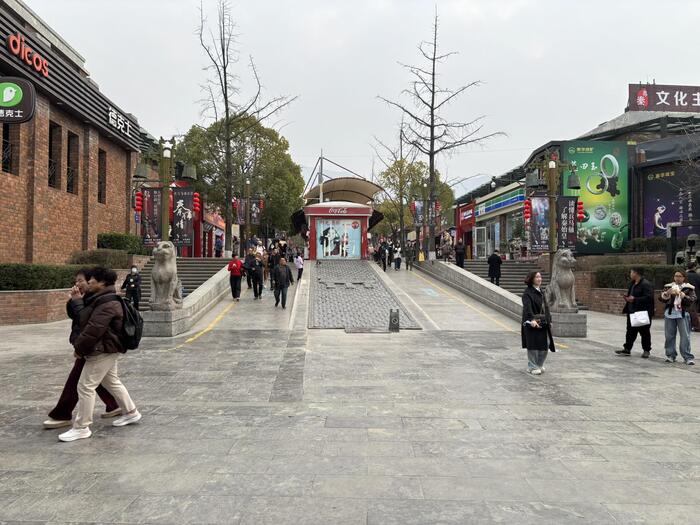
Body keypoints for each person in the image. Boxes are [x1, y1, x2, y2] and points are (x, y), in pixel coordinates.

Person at [58, 267, 141, 442]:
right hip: (108, 348)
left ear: (102, 283)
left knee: (85, 386)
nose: (88, 283)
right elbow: (82, 319)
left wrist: (79, 349)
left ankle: (82, 427)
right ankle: (131, 412)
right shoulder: (99, 298)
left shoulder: (107, 303)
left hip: (103, 349)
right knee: (111, 381)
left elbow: (92, 330)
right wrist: (77, 301)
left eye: (91, 280)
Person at [44, 268, 121, 429]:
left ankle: (64, 414)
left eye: (81, 280)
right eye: (76, 280)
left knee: (78, 381)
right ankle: (116, 405)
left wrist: (80, 348)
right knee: (103, 380)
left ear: (94, 281)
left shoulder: (97, 298)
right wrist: (73, 301)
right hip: (90, 345)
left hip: (93, 346)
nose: (77, 283)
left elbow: (86, 322)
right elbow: (74, 316)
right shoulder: (87, 296)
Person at [521, 271, 555, 375]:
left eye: (540, 277)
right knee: (533, 345)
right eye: (537, 277)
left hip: (543, 321)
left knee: (545, 344)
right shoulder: (527, 293)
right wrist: (532, 319)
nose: (539, 279)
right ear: (531, 279)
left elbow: (546, 307)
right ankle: (532, 366)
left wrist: (549, 320)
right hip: (532, 321)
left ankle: (539, 364)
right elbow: (527, 308)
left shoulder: (541, 291)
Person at [616, 267, 655, 358]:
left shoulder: (645, 284)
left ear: (636, 273)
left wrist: (635, 299)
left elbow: (649, 297)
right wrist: (628, 298)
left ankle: (646, 350)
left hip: (642, 312)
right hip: (632, 311)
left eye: (631, 272)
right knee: (630, 331)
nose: (630, 274)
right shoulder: (633, 283)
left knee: (644, 332)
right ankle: (627, 349)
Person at [659, 270, 696, 364]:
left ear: (684, 278)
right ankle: (671, 355)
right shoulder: (668, 286)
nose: (677, 278)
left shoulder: (689, 288)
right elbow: (661, 299)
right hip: (670, 313)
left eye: (680, 276)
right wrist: (667, 294)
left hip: (683, 314)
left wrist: (684, 296)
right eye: (676, 276)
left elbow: (692, 300)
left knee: (685, 336)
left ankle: (687, 357)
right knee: (669, 335)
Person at [686, 262, 700, 331]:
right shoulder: (697, 276)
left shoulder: (685, 275)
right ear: (694, 267)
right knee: (693, 311)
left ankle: (689, 325)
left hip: (685, 296)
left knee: (688, 311)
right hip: (696, 296)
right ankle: (696, 326)